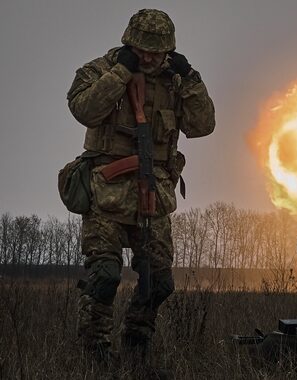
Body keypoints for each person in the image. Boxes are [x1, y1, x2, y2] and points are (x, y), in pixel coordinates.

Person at [66, 9, 215, 362]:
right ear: (129, 43)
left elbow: (202, 125)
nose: (149, 58)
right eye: (142, 50)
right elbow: (84, 110)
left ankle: (136, 342)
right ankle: (94, 352)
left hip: (154, 195)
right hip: (107, 195)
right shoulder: (101, 70)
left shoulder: (176, 81)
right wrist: (121, 72)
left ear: (169, 50)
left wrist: (191, 78)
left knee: (159, 282)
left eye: (157, 52)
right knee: (103, 277)